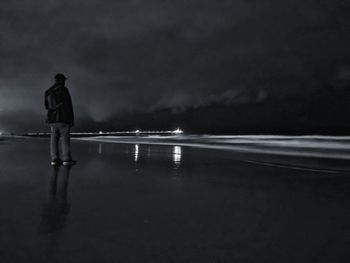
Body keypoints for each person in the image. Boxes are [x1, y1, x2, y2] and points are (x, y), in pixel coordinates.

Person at [45, 73, 76, 165]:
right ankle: (66, 158)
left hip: (52, 119)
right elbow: (68, 106)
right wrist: (71, 120)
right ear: (62, 81)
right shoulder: (64, 90)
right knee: (65, 138)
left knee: (54, 138)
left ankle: (54, 159)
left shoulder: (48, 91)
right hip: (63, 118)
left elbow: (47, 106)